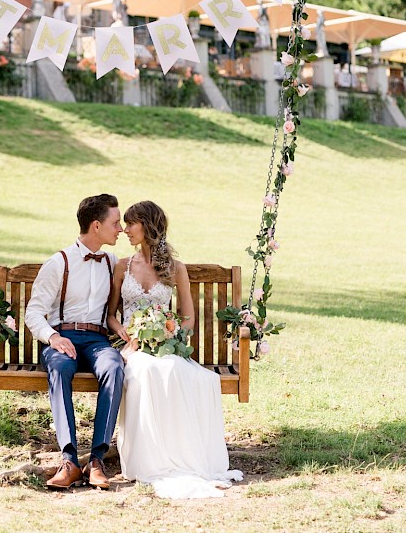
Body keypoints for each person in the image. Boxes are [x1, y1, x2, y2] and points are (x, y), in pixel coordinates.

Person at [107, 201, 243, 499]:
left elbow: (188, 316)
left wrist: (168, 334)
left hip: (164, 343)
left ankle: (177, 452)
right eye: (125, 224)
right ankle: (150, 457)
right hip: (129, 345)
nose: (126, 230)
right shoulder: (122, 266)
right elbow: (111, 314)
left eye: (131, 224)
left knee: (175, 370)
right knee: (145, 370)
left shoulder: (175, 268)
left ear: (148, 226)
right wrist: (127, 335)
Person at [24, 194, 125, 490]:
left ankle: (96, 460)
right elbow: (33, 312)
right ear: (96, 226)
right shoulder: (60, 262)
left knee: (114, 366)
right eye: (115, 222)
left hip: (97, 340)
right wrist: (53, 337)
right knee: (60, 367)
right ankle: (69, 460)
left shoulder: (112, 262)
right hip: (62, 337)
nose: (119, 228)